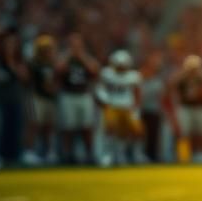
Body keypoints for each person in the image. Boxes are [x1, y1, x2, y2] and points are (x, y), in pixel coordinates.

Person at [95, 49, 143, 166]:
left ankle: (124, 154)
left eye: (123, 66)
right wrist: (105, 101)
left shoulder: (133, 76)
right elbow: (100, 89)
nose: (121, 68)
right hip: (112, 105)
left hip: (127, 106)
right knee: (110, 129)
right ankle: (108, 154)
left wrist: (136, 107)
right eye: (119, 65)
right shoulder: (107, 73)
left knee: (134, 131)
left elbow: (137, 93)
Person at [58, 32, 100, 163]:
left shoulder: (86, 58)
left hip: (83, 94)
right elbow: (58, 70)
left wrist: (81, 57)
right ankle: (67, 154)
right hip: (68, 94)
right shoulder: (65, 57)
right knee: (68, 127)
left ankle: (89, 154)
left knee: (86, 127)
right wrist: (70, 56)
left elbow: (94, 71)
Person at [0, 27, 29, 165]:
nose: (10, 47)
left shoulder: (19, 60)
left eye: (13, 44)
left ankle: (15, 156)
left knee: (16, 129)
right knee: (1, 128)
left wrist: (10, 61)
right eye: (8, 44)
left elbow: (24, 77)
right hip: (1, 99)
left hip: (16, 98)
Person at [23, 34, 59, 165]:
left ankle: (49, 152)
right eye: (45, 48)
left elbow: (56, 81)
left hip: (50, 98)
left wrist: (54, 87)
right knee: (34, 124)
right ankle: (29, 152)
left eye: (49, 48)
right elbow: (28, 80)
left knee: (49, 127)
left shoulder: (54, 64)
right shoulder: (34, 64)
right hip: (36, 96)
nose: (47, 51)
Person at [169, 55, 202, 162]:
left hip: (196, 108)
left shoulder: (199, 78)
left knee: (195, 133)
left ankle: (196, 155)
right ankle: (183, 156)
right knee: (183, 133)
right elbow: (171, 84)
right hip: (185, 108)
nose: (193, 70)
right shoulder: (182, 79)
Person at [139, 51, 166, 161]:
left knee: (153, 136)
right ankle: (141, 155)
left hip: (154, 111)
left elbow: (162, 97)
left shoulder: (158, 80)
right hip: (142, 111)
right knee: (141, 136)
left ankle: (153, 156)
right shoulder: (138, 79)